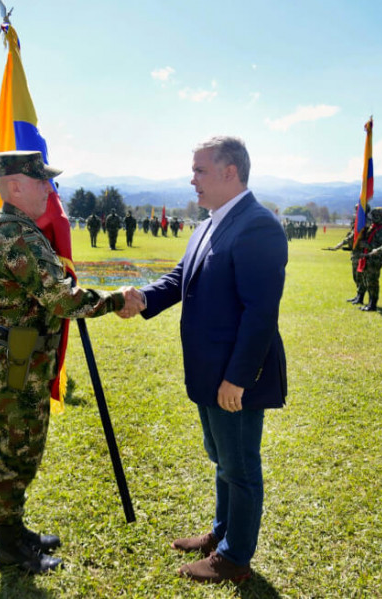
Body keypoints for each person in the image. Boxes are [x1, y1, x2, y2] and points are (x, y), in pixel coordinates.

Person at [121, 136, 287, 585]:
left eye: (199, 170)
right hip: (208, 371)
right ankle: (222, 532)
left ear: (229, 172)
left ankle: (234, 559)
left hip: (233, 375)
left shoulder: (257, 226)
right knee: (222, 459)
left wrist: (238, 378)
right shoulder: (211, 223)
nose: (191, 179)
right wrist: (143, 299)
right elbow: (181, 278)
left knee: (240, 466)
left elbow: (260, 312)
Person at [0, 150, 128, 575]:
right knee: (16, 452)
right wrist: (116, 300)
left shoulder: (19, 229)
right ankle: (10, 546)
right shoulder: (14, 235)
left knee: (25, 447)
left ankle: (15, 530)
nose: (50, 188)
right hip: (18, 359)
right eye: (41, 181)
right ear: (14, 186)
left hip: (25, 354)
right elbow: (61, 298)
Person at [357, 207, 382, 312]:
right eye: (373, 215)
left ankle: (373, 304)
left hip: (375, 259)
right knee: (367, 282)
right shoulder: (372, 227)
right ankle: (370, 302)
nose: (374, 218)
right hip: (367, 258)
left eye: (377, 216)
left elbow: (379, 245)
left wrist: (366, 244)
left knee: (373, 282)